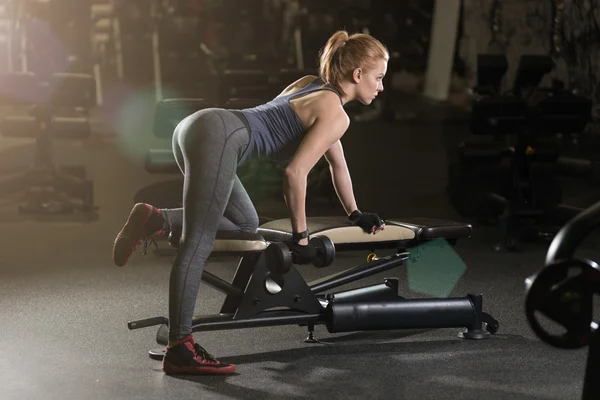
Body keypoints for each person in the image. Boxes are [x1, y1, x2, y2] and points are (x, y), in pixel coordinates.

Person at [112, 30, 389, 375]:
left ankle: (157, 219)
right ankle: (180, 348)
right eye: (378, 78)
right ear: (357, 74)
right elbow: (294, 173)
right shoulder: (336, 114)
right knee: (198, 242)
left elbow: (338, 164)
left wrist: (356, 213)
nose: (380, 87)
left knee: (245, 223)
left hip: (199, 127)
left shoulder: (311, 86)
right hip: (218, 136)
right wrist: (301, 237)